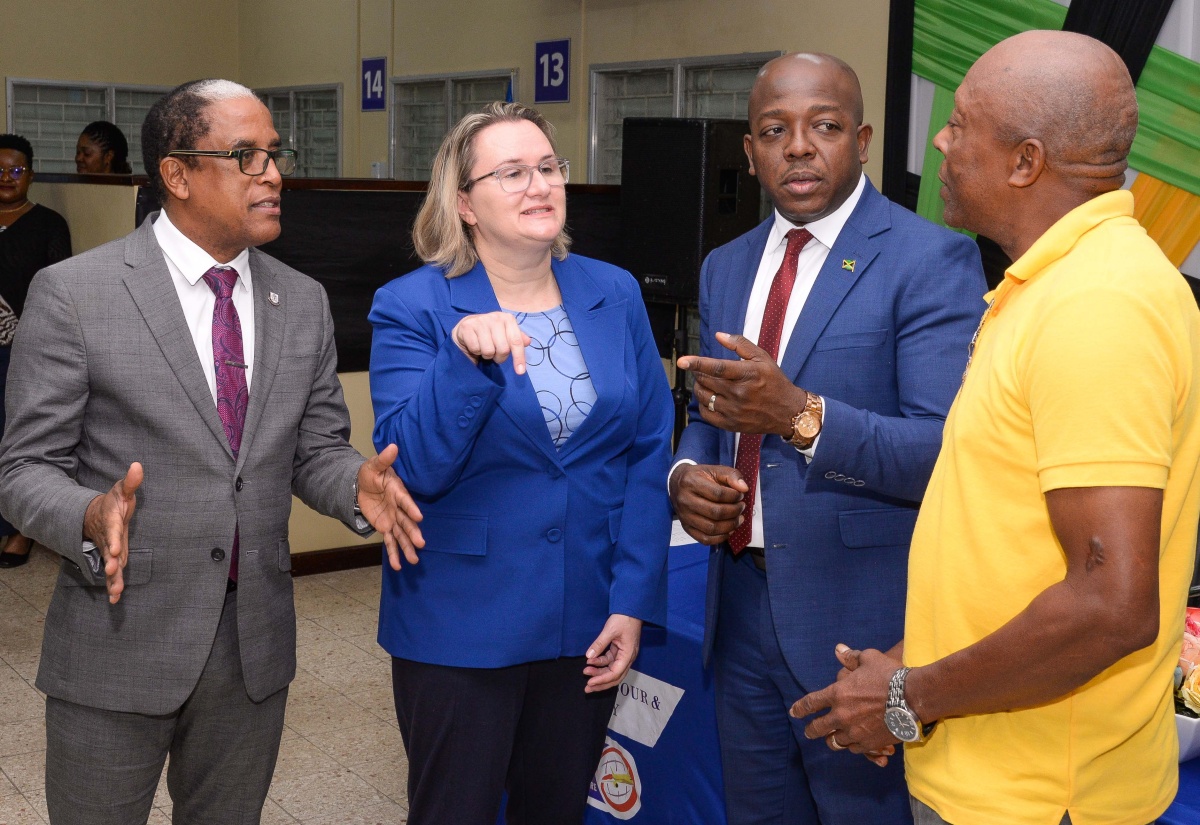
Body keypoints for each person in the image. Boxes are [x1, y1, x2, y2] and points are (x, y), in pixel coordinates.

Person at [792, 31, 1200, 825]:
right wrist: (911, 666)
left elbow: (1111, 604)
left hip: (1041, 798)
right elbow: (1012, 544)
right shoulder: (1051, 287)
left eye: (964, 122)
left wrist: (908, 697)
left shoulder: (1097, 306)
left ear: (1026, 161)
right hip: (995, 776)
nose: (941, 137)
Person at [0, 79, 425, 825]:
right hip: (119, 635)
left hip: (251, 647)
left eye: (274, 154)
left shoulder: (300, 301)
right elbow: (23, 469)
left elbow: (313, 447)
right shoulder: (74, 293)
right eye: (246, 155)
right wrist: (89, 513)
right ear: (178, 173)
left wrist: (352, 481)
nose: (273, 173)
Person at [669, 53, 986, 825]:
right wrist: (684, 476)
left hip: (862, 630)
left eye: (826, 127)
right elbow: (709, 415)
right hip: (739, 609)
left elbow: (943, 452)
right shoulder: (725, 264)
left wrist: (800, 416)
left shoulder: (930, 258)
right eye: (776, 131)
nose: (800, 147)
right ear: (749, 152)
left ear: (864, 140)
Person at [369, 101, 673, 825]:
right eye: (511, 172)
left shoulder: (615, 291)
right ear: (464, 201)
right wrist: (463, 360)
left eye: (547, 167)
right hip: (460, 623)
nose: (539, 184)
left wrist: (631, 600)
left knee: (556, 811)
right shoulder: (413, 305)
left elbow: (646, 451)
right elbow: (415, 468)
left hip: (587, 617)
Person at [0, 133, 71, 568]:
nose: (6, 178)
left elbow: (58, 288)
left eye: (16, 169)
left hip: (22, 352)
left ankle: (19, 531)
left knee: (14, 437)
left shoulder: (48, 224)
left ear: (31, 174)